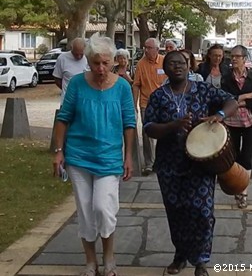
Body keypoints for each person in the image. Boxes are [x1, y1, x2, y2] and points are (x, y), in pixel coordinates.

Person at [143, 51, 237, 276]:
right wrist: (172, 126)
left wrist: (220, 115)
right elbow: (149, 128)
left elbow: (232, 101)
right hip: (169, 165)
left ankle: (202, 260)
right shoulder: (158, 96)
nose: (177, 67)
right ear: (165, 69)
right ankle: (181, 254)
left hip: (200, 164)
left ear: (189, 66)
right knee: (176, 212)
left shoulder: (202, 89)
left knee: (203, 211)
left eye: (181, 63)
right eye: (172, 63)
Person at [52, 35, 136, 276]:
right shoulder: (78, 84)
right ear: (88, 61)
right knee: (86, 213)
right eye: (95, 63)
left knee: (103, 207)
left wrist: (128, 156)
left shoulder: (122, 86)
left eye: (105, 63)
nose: (100, 68)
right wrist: (59, 152)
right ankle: (91, 261)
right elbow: (63, 118)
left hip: (109, 157)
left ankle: (109, 255)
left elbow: (129, 123)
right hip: (78, 157)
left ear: (114, 61)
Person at [221, 45, 252, 209]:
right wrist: (244, 96)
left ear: (244, 59)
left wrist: (241, 100)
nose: (233, 59)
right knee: (234, 156)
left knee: (246, 156)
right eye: (232, 56)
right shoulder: (226, 78)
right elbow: (227, 99)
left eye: (237, 57)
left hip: (250, 122)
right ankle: (236, 186)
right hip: (232, 121)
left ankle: (243, 192)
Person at [132, 38, 166, 175]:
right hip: (146, 103)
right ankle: (149, 164)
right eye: (145, 47)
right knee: (147, 134)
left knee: (165, 133)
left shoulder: (165, 61)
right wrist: (134, 105)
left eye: (149, 48)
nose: (146, 50)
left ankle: (162, 161)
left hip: (163, 103)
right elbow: (136, 85)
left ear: (157, 49)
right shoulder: (141, 64)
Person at [53, 37, 89, 104]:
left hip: (84, 100)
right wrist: (68, 90)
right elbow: (57, 78)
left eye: (81, 54)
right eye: (75, 54)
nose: (78, 57)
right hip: (67, 100)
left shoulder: (88, 58)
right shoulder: (62, 58)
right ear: (71, 48)